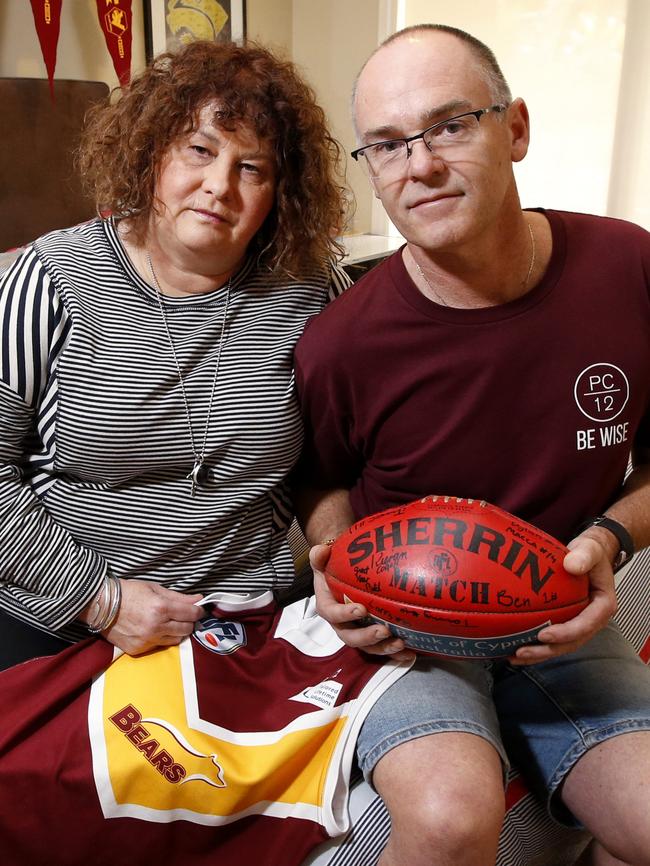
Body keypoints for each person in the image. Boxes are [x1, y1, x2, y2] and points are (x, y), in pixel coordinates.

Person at [294, 24, 650, 866]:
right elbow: (315, 485)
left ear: (515, 127)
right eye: (386, 146)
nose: (418, 165)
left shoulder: (628, 267)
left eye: (450, 124)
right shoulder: (342, 341)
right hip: (408, 633)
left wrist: (611, 537)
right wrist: (335, 557)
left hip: (558, 613)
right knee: (454, 819)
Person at [0, 38, 349, 668]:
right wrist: (100, 601)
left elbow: (344, 455)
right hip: (62, 617)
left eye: (253, 168)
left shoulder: (315, 290)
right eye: (199, 149)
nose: (219, 186)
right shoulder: (44, 281)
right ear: (151, 150)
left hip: (254, 612)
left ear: (280, 193)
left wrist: (343, 560)